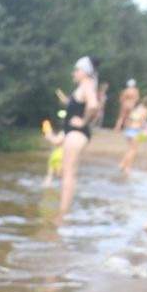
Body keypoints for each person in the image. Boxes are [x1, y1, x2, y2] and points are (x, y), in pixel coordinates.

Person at [56, 56, 100, 212]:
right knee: (66, 172)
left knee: (68, 173)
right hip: (74, 134)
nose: (73, 73)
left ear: (84, 72)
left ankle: (62, 213)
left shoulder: (87, 84)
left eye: (76, 70)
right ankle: (64, 210)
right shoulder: (85, 86)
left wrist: (83, 121)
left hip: (77, 133)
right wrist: (69, 104)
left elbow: (93, 105)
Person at [117, 100, 147, 174]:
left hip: (129, 130)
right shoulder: (145, 110)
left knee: (130, 149)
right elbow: (142, 122)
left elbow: (129, 119)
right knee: (133, 151)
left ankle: (122, 164)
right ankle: (127, 168)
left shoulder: (136, 110)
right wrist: (145, 134)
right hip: (137, 130)